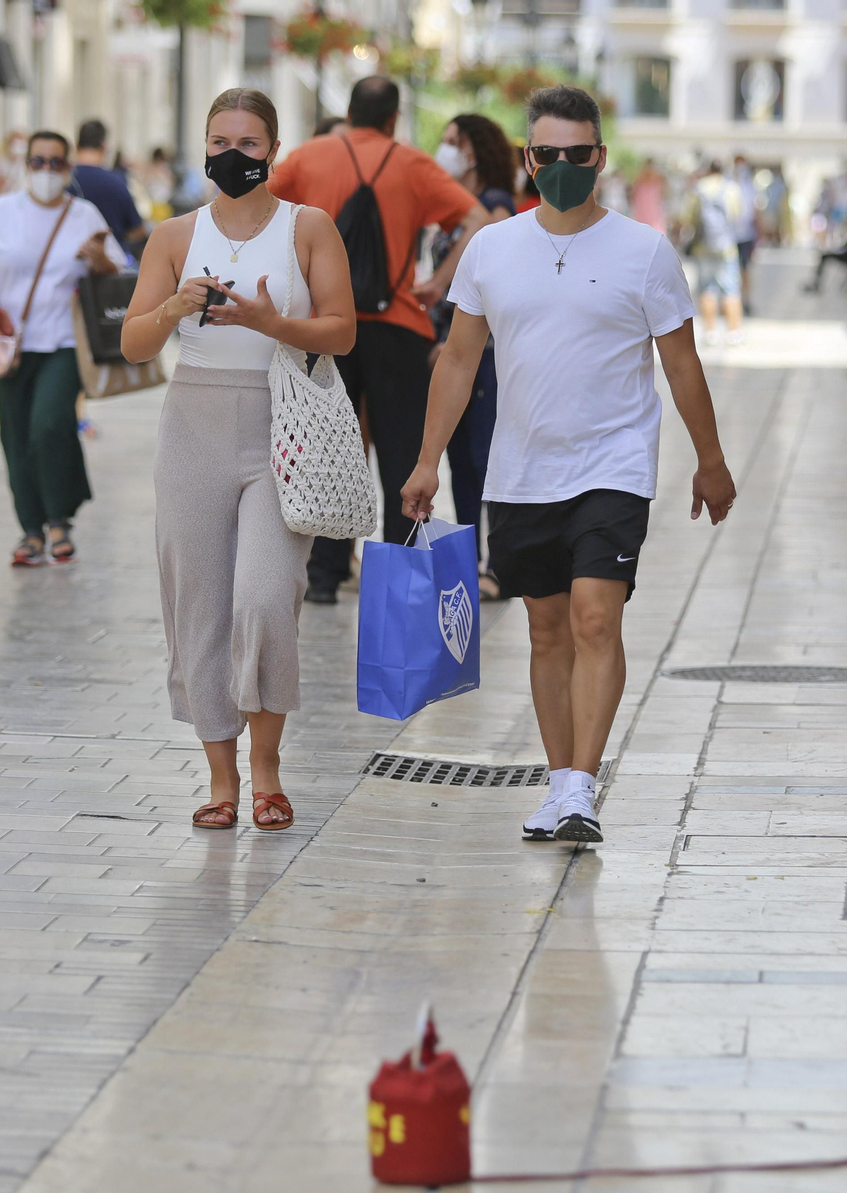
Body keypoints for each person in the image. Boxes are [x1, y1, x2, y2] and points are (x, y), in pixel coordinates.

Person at [400, 84, 736, 845]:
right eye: (545, 154)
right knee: (547, 630)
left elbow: (682, 367)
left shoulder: (644, 251)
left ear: (600, 158)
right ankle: (558, 786)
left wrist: (710, 462)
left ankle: (583, 786)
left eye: (575, 155)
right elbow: (457, 361)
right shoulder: (491, 248)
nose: (560, 167)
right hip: (521, 471)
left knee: (595, 614)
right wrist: (426, 462)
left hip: (613, 465)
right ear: (527, 158)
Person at [119, 88, 356, 832]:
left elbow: (343, 331)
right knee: (197, 603)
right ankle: (220, 777)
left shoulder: (308, 227)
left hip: (280, 421)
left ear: (274, 152)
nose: (233, 155)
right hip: (192, 422)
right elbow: (132, 343)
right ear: (203, 147)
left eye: (249, 144)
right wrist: (173, 308)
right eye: (220, 141)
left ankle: (268, 768)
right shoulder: (173, 235)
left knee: (263, 595)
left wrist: (271, 321)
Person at [270, 76, 489, 605]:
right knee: (400, 455)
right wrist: (439, 284)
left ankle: (322, 578)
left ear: (348, 111)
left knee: (323, 449)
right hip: (398, 328)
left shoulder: (310, 157)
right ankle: (402, 578)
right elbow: (478, 219)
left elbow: (260, 212)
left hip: (324, 326)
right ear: (393, 118)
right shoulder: (412, 163)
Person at [0, 130, 125, 565]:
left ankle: (59, 518)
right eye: (38, 162)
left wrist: (98, 258)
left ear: (68, 169)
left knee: (49, 424)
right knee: (15, 436)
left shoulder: (84, 215)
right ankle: (31, 530)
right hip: (10, 345)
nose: (46, 171)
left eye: (56, 163)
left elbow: (119, 272)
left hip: (66, 342)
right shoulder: (2, 212)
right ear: (25, 165)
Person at [430, 113, 516, 599]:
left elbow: (494, 285)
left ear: (475, 150)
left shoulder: (495, 207)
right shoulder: (457, 209)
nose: (444, 151)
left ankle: (497, 566)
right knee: (461, 462)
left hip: (481, 354)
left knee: (484, 458)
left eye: (452, 142)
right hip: (451, 349)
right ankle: (470, 562)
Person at [684, 160, 744, 344]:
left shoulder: (698, 188)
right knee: (730, 289)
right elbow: (737, 215)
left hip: (703, 247)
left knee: (707, 288)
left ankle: (710, 333)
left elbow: (688, 217)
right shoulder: (732, 189)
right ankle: (733, 332)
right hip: (726, 247)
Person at [71, 120, 148, 253]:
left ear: (77, 146)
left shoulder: (65, 181)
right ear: (104, 147)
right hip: (111, 263)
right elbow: (137, 230)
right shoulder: (116, 182)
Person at [731, 154, 759, 311]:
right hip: (729, 235)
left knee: (745, 269)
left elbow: (755, 211)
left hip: (745, 234)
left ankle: (746, 300)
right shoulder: (728, 184)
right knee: (730, 269)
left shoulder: (749, 185)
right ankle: (732, 301)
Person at [630, 157, 666, 233]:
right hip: (643, 208)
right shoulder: (640, 179)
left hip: (653, 209)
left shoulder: (658, 179)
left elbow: (663, 194)